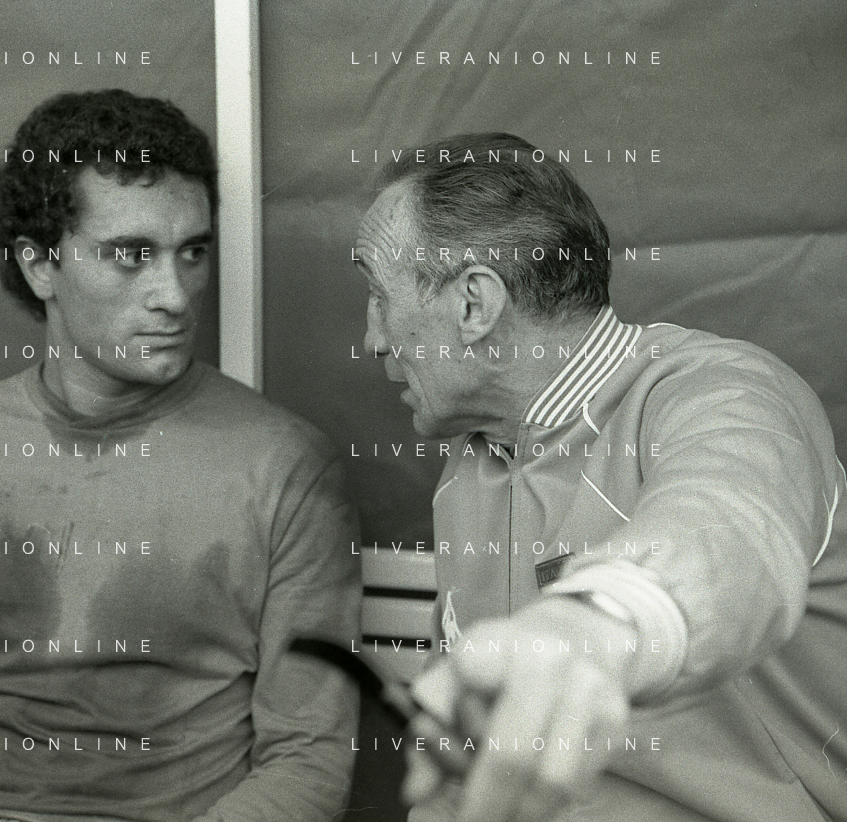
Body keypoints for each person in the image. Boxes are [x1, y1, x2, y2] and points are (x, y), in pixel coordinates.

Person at [0, 89, 361, 822]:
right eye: (131, 255)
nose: (174, 295)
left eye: (192, 253)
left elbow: (308, 754)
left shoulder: (286, 467)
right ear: (39, 265)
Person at [353, 132, 847, 822]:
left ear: (473, 305)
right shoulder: (471, 464)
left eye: (379, 296)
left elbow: (728, 522)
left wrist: (599, 620)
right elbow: (466, 755)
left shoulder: (725, 392)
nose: (373, 339)